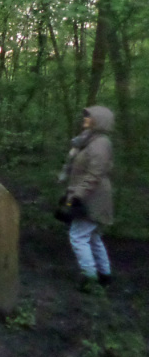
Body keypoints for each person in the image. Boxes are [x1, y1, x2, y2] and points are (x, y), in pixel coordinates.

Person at [61, 106, 115, 291]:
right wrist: (70, 193)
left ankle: (90, 279)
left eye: (89, 116)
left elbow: (94, 174)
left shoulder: (100, 143)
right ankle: (104, 275)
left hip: (93, 196)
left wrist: (77, 196)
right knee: (92, 236)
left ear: (98, 120)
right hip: (90, 194)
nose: (85, 118)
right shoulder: (89, 141)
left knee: (78, 236)